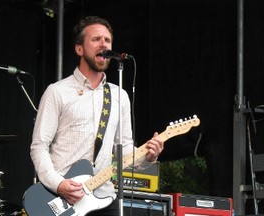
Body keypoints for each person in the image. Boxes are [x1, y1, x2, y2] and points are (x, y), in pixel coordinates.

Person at [30, 15, 164, 216]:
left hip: (103, 197)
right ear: (79, 49)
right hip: (63, 197)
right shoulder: (57, 91)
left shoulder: (119, 96)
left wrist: (148, 156)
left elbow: (124, 149)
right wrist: (59, 184)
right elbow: (39, 146)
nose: (104, 44)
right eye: (96, 39)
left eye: (107, 40)